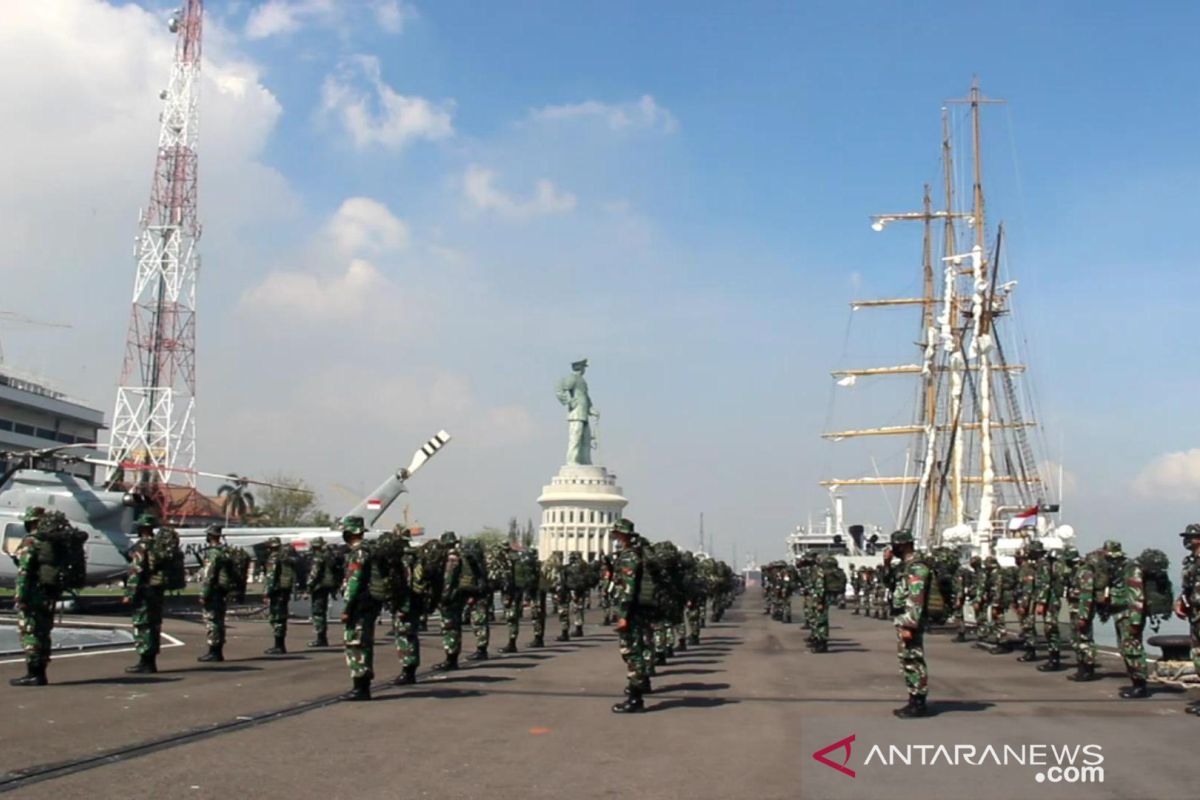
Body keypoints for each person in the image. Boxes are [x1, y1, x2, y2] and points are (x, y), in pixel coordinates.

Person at [9, 507, 55, 686]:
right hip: (47, 595)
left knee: (30, 632)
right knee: (43, 633)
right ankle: (41, 672)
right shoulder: (49, 542)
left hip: (33, 595)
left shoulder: (30, 542)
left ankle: (33, 673)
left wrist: (20, 596)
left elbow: (25, 572)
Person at [610, 518, 650, 713]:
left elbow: (629, 588)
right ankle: (638, 690)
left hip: (632, 611)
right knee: (636, 651)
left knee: (631, 653)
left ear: (622, 535)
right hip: (638, 610)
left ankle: (635, 699)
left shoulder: (629, 557)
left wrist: (624, 614)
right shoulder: (636, 554)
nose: (615, 538)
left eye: (616, 534)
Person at [890, 529, 931, 718]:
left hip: (910, 621)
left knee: (914, 660)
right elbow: (890, 584)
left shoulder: (917, 567)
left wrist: (909, 624)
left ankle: (918, 702)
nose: (894, 548)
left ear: (905, 544)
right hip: (903, 619)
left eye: (897, 545)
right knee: (907, 660)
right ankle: (913, 698)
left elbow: (917, 597)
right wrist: (886, 563)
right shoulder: (905, 566)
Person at [339, 516, 378, 701]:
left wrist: (347, 607)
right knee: (363, 644)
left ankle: (360, 688)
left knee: (356, 645)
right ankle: (362, 686)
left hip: (359, 606)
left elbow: (354, 583)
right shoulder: (369, 551)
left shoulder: (359, 553)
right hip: (368, 604)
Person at [123, 514, 164, 674]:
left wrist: (130, 593)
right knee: (154, 626)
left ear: (141, 528)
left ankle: (144, 661)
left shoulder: (141, 546)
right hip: (157, 591)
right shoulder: (159, 545)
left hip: (144, 592)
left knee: (142, 626)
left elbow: (136, 571)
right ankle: (151, 661)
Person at [1174, 524, 1200, 714]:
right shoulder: (1191, 561)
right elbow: (1188, 587)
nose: (1187, 541)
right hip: (1195, 614)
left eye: (1191, 537)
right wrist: (1180, 602)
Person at [433, 531, 466, 671]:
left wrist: (443, 596)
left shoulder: (451, 558)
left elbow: (448, 579)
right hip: (458, 596)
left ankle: (451, 659)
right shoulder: (459, 555)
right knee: (455, 627)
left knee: (449, 628)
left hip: (451, 598)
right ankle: (452, 658)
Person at [198, 525, 230, 662]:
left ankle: (214, 651)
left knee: (212, 621)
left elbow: (209, 575)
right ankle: (218, 650)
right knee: (219, 621)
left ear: (210, 536)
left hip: (214, 591)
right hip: (222, 590)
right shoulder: (224, 551)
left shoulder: (213, 553)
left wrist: (204, 594)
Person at [262, 536, 296, 655]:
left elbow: (271, 577)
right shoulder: (285, 557)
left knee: (276, 618)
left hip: (277, 591)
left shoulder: (274, 558)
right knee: (281, 617)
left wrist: (266, 592)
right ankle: (280, 644)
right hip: (284, 590)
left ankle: (278, 645)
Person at [306, 537, 338, 648]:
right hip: (327, 586)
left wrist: (308, 587)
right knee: (322, 612)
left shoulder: (318, 557)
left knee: (318, 613)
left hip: (319, 587)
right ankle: (322, 638)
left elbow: (314, 574)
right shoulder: (329, 556)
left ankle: (321, 638)